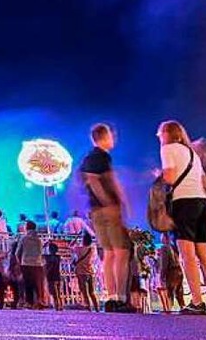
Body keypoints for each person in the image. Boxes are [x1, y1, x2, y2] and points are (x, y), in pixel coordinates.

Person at [157, 121, 206, 315]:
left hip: (184, 203)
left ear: (166, 134)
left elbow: (170, 178)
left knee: (187, 255)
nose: (158, 137)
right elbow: (205, 182)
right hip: (202, 203)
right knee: (205, 255)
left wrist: (160, 175)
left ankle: (197, 301)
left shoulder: (167, 149)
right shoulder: (192, 153)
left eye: (160, 134)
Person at [80, 122, 133, 312]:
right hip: (107, 209)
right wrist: (110, 202)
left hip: (95, 211)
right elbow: (100, 181)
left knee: (108, 253)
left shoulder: (86, 158)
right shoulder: (101, 157)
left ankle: (111, 296)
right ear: (103, 137)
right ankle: (120, 297)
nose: (113, 139)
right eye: (110, 135)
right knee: (121, 251)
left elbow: (85, 182)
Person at [18, 220, 46, 308]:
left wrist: (20, 263)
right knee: (38, 284)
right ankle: (39, 301)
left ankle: (29, 303)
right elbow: (41, 252)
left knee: (28, 284)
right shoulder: (39, 240)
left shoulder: (23, 238)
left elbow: (17, 253)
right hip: (38, 264)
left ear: (27, 228)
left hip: (26, 263)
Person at [157, 233, 185, 312]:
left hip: (171, 272)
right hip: (179, 270)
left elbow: (164, 263)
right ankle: (182, 307)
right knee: (179, 291)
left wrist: (162, 276)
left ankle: (169, 309)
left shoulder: (164, 248)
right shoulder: (174, 247)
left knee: (169, 292)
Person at [72, 234, 99, 311]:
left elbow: (71, 245)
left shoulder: (79, 249)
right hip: (90, 271)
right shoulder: (92, 249)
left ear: (83, 240)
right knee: (92, 292)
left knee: (84, 291)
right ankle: (96, 307)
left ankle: (88, 307)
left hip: (81, 271)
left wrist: (76, 237)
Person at [0, 236, 15, 308]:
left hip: (10, 268)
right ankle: (1, 303)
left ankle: (13, 303)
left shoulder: (11, 244)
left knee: (12, 286)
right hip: (1, 268)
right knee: (2, 287)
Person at [44, 240, 63, 309]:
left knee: (54, 293)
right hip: (57, 276)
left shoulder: (48, 257)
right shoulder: (58, 257)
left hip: (51, 277)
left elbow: (41, 252)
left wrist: (45, 244)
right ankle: (60, 305)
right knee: (58, 293)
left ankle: (57, 306)